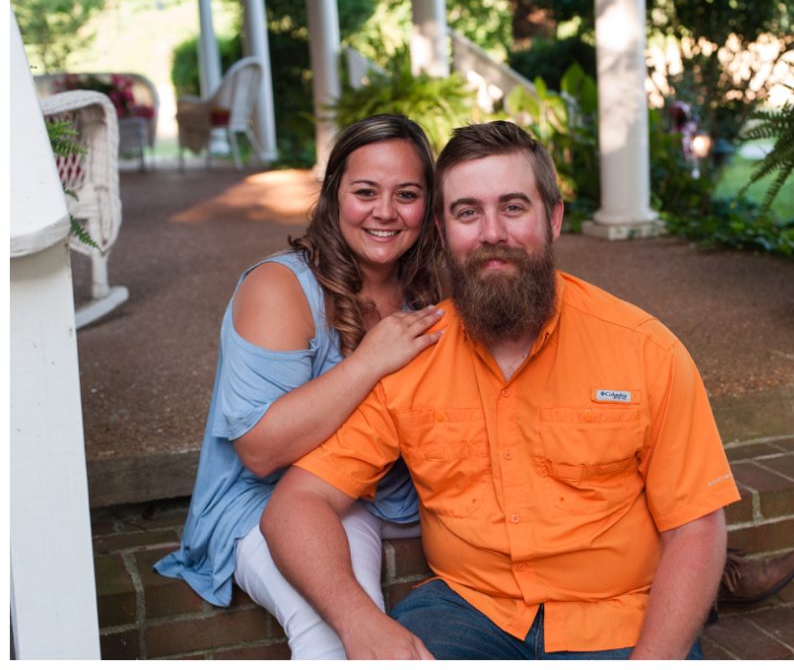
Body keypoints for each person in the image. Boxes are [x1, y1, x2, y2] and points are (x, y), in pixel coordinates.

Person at [261, 120, 747, 660]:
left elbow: (697, 528)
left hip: (616, 620)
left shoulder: (645, 351)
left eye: (513, 207)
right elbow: (294, 506)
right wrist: (358, 621)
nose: (492, 232)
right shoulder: (412, 357)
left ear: (554, 219)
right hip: (467, 610)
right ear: (443, 232)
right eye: (468, 212)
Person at [153, 114, 447, 659]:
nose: (385, 212)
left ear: (428, 207)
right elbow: (262, 452)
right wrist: (369, 361)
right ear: (334, 195)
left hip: (372, 495)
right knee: (334, 633)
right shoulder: (281, 287)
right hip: (264, 500)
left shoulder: (430, 288)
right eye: (365, 192)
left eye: (406, 194)